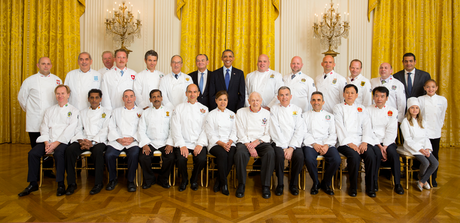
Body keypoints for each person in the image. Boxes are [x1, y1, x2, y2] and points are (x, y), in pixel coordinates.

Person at [18, 85, 79, 197]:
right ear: (55, 95)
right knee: (33, 153)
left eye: (63, 93)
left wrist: (56, 143)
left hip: (62, 141)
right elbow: (44, 127)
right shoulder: (50, 110)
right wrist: (47, 142)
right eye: (58, 93)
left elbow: (70, 130)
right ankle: (33, 183)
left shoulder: (73, 111)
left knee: (59, 153)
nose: (60, 96)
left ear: (68, 95)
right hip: (49, 140)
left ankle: (60, 184)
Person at [17, 57, 62, 178]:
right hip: (35, 120)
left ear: (51, 65)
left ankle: (47, 171)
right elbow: (22, 98)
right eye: (43, 64)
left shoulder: (57, 80)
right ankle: (36, 173)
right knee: (36, 147)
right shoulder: (29, 80)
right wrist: (32, 111)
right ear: (38, 65)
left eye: (48, 64)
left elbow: (60, 98)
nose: (46, 66)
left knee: (50, 146)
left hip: (52, 120)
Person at [65, 89, 111, 195]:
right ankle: (71, 183)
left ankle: (98, 183)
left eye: (96, 97)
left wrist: (92, 142)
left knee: (98, 152)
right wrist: (81, 141)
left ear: (100, 99)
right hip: (84, 139)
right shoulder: (82, 112)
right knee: (69, 151)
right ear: (88, 99)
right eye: (92, 97)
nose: (94, 100)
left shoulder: (107, 112)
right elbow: (78, 128)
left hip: (98, 140)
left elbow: (105, 130)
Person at [334, 84, 378, 198]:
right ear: (343, 94)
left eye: (352, 93)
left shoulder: (362, 108)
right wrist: (350, 144)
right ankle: (353, 187)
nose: (349, 95)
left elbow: (367, 126)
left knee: (371, 156)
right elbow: (339, 127)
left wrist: (364, 142)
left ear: (356, 95)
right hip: (345, 142)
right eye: (347, 92)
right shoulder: (338, 108)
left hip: (360, 140)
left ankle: (370, 187)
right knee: (354, 157)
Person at [234, 92, 274, 199]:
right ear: (248, 101)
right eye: (252, 100)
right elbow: (240, 131)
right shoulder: (241, 112)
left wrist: (256, 142)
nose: (255, 103)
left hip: (261, 141)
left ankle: (265, 185)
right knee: (240, 154)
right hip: (245, 141)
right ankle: (241, 184)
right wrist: (249, 145)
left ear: (261, 101)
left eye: (257, 100)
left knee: (270, 153)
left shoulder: (266, 114)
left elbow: (269, 133)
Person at [171, 84, 208, 191]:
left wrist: (200, 144)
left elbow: (206, 129)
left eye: (194, 92)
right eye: (190, 92)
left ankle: (194, 179)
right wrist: (182, 145)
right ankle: (184, 179)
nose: (192, 94)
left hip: (198, 143)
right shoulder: (179, 108)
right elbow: (175, 128)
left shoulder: (204, 109)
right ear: (186, 93)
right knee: (181, 159)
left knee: (202, 159)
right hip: (183, 142)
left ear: (198, 94)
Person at [302, 91, 341, 195]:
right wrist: (314, 144)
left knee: (336, 159)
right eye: (314, 100)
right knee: (309, 159)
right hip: (311, 144)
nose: (316, 102)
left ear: (323, 102)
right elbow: (304, 132)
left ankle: (326, 183)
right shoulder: (304, 115)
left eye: (319, 100)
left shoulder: (329, 116)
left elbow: (333, 133)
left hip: (326, 144)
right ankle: (316, 182)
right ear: (310, 102)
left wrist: (326, 145)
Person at [367, 87, 404, 195]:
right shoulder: (368, 110)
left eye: (382, 96)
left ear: (387, 98)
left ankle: (397, 183)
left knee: (393, 154)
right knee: (376, 154)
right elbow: (368, 129)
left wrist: (386, 146)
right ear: (373, 97)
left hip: (388, 141)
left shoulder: (392, 111)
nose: (379, 99)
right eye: (377, 96)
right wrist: (379, 146)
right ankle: (374, 182)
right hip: (373, 141)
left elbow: (391, 130)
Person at [269, 87, 304, 196]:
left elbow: (299, 129)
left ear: (291, 96)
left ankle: (293, 184)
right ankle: (280, 184)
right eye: (282, 95)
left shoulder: (297, 110)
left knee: (299, 157)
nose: (284, 97)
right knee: (279, 156)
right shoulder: (274, 109)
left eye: (286, 94)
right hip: (279, 142)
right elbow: (275, 128)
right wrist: (284, 147)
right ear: (278, 97)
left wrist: (291, 147)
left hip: (294, 143)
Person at [105, 89, 142, 192]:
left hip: (133, 140)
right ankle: (112, 179)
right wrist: (118, 139)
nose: (129, 99)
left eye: (131, 96)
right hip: (118, 140)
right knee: (109, 155)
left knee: (134, 154)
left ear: (134, 98)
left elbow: (142, 128)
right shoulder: (116, 111)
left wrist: (133, 138)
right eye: (126, 96)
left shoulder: (140, 112)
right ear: (123, 99)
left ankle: (130, 181)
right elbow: (111, 127)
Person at [138, 89, 175, 189]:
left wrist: (170, 143)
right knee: (143, 157)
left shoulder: (169, 112)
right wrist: (145, 144)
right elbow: (141, 130)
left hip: (165, 142)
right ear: (150, 99)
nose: (156, 99)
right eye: (153, 97)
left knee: (170, 157)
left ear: (162, 98)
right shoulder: (145, 113)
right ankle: (150, 180)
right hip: (151, 142)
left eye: (158, 96)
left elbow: (173, 129)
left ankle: (163, 179)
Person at [400, 97, 438, 191]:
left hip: (423, 146)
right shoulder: (405, 122)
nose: (414, 110)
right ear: (409, 109)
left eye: (416, 108)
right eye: (412, 107)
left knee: (435, 163)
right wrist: (420, 149)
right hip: (412, 147)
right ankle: (422, 180)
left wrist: (427, 149)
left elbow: (425, 137)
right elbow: (408, 139)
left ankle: (422, 181)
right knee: (425, 162)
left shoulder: (422, 121)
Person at [205, 90, 237, 195]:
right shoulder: (211, 114)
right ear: (216, 101)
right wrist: (222, 144)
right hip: (216, 143)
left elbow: (235, 131)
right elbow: (210, 133)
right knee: (223, 154)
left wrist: (229, 142)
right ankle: (224, 184)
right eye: (220, 100)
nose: (222, 102)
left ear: (227, 101)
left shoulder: (232, 114)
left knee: (232, 154)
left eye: (225, 99)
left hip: (229, 142)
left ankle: (218, 181)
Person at [417, 80, 447, 187]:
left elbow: (442, 115)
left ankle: (433, 178)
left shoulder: (442, 100)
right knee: (424, 156)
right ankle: (422, 178)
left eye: (433, 87)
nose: (431, 89)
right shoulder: (420, 99)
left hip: (435, 131)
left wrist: (439, 126)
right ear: (424, 88)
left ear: (437, 87)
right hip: (423, 132)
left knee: (435, 156)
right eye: (428, 87)